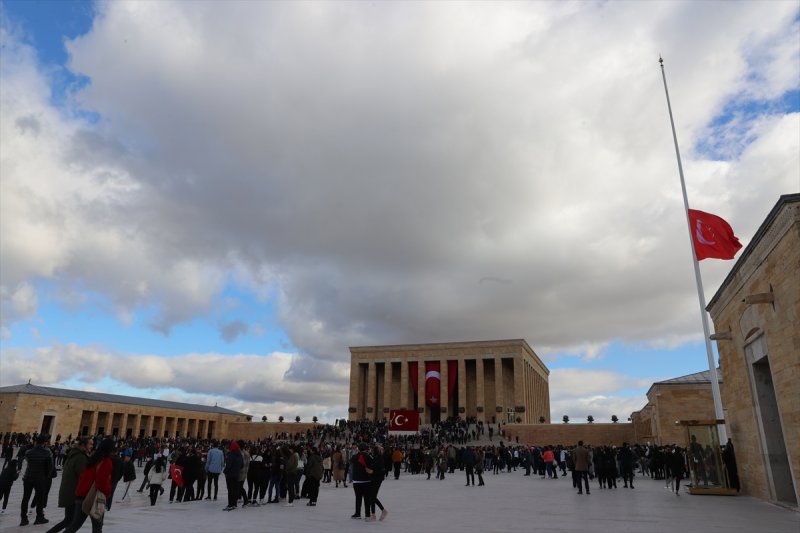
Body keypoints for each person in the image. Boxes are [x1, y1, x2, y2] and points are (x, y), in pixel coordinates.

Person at [63, 437, 114, 533]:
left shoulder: (91, 459)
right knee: (97, 528)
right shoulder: (106, 461)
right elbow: (102, 482)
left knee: (75, 525)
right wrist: (107, 493)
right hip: (94, 498)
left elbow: (82, 478)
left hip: (81, 496)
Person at [45, 437, 92, 533]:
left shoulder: (74, 454)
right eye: (90, 444)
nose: (92, 446)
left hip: (68, 491)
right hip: (73, 494)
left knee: (69, 520)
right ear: (83, 445)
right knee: (72, 521)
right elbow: (83, 477)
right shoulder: (80, 458)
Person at [20, 434, 53, 526]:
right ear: (45, 442)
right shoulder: (47, 452)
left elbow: (28, 462)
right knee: (40, 498)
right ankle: (39, 518)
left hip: (28, 477)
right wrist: (46, 477)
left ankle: (23, 519)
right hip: (40, 478)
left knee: (25, 498)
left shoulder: (28, 452)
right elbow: (50, 468)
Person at [350, 442, 372, 520]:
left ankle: (358, 514)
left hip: (356, 481)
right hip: (366, 481)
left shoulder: (354, 456)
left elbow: (350, 461)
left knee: (358, 498)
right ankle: (367, 514)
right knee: (367, 498)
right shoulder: (369, 457)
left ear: (358, 449)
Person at [367, 445, 388, 521]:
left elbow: (378, 469)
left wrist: (371, 471)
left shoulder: (379, 458)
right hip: (374, 478)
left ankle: (383, 510)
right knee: (372, 497)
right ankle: (373, 514)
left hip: (377, 479)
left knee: (372, 496)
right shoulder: (376, 457)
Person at [222, 441, 243, 511]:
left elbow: (228, 466)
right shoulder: (240, 455)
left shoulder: (231, 455)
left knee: (230, 490)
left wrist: (225, 471)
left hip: (230, 475)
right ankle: (234, 504)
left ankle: (230, 505)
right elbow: (242, 465)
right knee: (235, 490)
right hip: (236, 474)